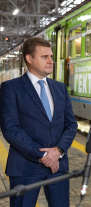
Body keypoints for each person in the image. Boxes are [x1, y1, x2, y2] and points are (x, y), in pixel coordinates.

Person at [0, 37, 77, 207]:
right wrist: (43, 155)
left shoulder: (60, 88)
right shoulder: (11, 88)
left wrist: (58, 151)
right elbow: (10, 129)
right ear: (29, 58)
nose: (51, 61)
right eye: (45, 57)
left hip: (58, 166)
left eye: (51, 56)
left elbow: (71, 124)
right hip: (24, 167)